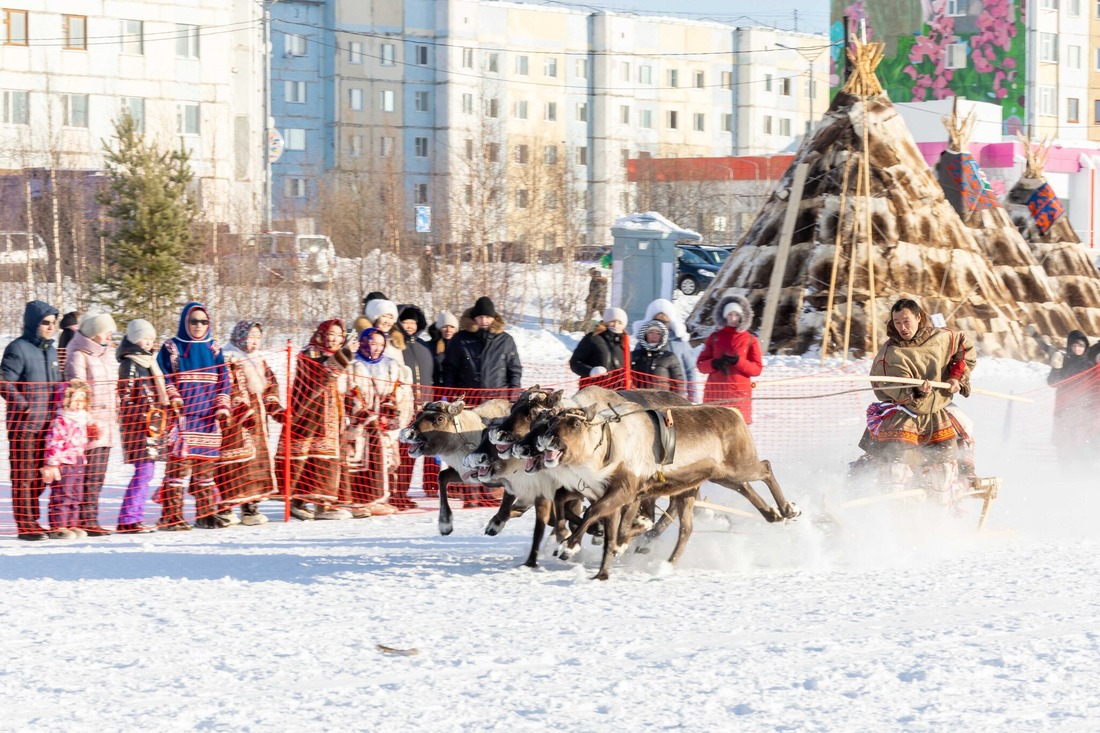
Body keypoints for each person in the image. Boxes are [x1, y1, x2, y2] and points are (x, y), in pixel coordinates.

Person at [857, 298, 976, 504]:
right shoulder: (890, 354)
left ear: (918, 317)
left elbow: (963, 349)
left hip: (938, 409)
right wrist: (916, 391)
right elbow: (892, 388)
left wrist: (956, 376)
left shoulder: (941, 337)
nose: (902, 327)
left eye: (906, 321)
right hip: (904, 412)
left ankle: (964, 476)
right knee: (896, 463)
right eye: (897, 322)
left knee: (963, 430)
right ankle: (881, 498)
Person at [156, 302, 234, 530]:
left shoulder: (214, 349)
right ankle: (172, 517)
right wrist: (173, 396)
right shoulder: (172, 347)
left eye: (203, 322)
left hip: (208, 419)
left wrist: (222, 406)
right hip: (183, 418)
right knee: (177, 473)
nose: (199, 326)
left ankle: (206, 513)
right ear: (185, 322)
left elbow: (224, 380)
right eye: (193, 321)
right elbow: (164, 375)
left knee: (205, 472)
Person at [279, 319, 353, 521]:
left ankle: (323, 504)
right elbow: (319, 376)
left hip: (333, 418)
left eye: (339, 335)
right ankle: (298, 502)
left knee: (326, 460)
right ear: (322, 334)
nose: (334, 339)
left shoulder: (341, 357)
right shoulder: (309, 353)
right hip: (310, 417)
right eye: (331, 334)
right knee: (306, 460)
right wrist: (342, 358)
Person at [1, 300, 62, 541]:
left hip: (48, 426)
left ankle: (33, 520)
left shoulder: (51, 350)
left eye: (53, 323)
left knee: (39, 477)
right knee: (23, 476)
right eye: (46, 323)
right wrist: (22, 405)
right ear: (33, 324)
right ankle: (26, 525)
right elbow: (3, 380)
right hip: (24, 426)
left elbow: (58, 383)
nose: (50, 327)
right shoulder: (18, 348)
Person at [217, 321, 284, 526]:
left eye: (257, 337)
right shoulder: (227, 357)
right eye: (250, 336)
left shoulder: (259, 360)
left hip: (257, 422)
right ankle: (226, 507)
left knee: (256, 465)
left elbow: (270, 387)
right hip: (234, 421)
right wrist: (241, 409)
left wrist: (275, 409)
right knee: (233, 464)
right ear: (239, 336)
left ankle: (251, 507)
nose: (253, 341)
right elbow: (227, 386)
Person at [345, 328, 414, 512]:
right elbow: (348, 393)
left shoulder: (391, 365)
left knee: (387, 462)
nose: (376, 348)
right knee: (360, 461)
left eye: (381, 344)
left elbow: (400, 392)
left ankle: (381, 499)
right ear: (364, 342)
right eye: (372, 343)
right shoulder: (352, 364)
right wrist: (364, 414)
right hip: (360, 424)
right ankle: (359, 501)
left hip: (383, 423)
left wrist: (391, 411)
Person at [64, 313, 119, 536]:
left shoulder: (105, 355)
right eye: (107, 332)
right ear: (96, 333)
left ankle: (90, 518)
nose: (109, 336)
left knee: (98, 474)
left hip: (107, 425)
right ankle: (81, 519)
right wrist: (88, 420)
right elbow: (77, 392)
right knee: (86, 474)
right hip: (89, 426)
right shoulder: (79, 356)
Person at [116, 319, 172, 534]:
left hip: (151, 426)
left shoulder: (149, 362)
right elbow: (126, 398)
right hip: (138, 427)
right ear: (133, 338)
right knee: (143, 472)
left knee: (147, 473)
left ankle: (135, 517)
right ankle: (128, 518)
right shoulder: (130, 363)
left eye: (151, 339)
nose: (148, 343)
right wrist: (144, 416)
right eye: (144, 338)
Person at [442, 296, 522, 404]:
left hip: (498, 402)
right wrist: (451, 396)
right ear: (474, 318)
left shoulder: (506, 340)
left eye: (487, 317)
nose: (484, 320)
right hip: (468, 401)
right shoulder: (460, 339)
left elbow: (514, 371)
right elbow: (450, 369)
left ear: (493, 318)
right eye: (480, 317)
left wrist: (513, 398)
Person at [697, 294, 763, 424]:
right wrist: (714, 364)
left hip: (739, 399)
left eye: (736, 315)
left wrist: (739, 362)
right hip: (715, 396)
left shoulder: (750, 340)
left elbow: (757, 369)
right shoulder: (714, 337)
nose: (733, 318)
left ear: (742, 317)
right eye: (729, 314)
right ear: (723, 316)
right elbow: (700, 364)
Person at [41, 380, 92, 539]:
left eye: (81, 401)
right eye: (75, 400)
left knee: (76, 494)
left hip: (78, 460)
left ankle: (72, 523)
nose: (78, 404)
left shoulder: (82, 418)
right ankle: (59, 526)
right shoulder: (62, 419)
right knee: (63, 494)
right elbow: (54, 442)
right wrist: (53, 463)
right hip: (64, 462)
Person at [395, 304, 435, 506]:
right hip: (405, 407)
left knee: (415, 452)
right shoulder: (395, 345)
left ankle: (405, 492)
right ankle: (397, 493)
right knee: (402, 452)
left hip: (424, 409)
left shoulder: (424, 347)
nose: (409, 326)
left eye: (413, 322)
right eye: (405, 322)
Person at [1047, 331, 1096, 466]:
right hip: (1065, 410)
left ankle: (1086, 471)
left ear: (1085, 346)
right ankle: (1067, 471)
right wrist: (1056, 369)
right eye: (1074, 346)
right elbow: (1053, 383)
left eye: (1080, 346)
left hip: (1086, 410)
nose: (1077, 349)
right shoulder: (1064, 363)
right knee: (1065, 442)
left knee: (1085, 442)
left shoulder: (1090, 364)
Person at [638, 298, 701, 402]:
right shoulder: (644, 342)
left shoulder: (680, 343)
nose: (661, 324)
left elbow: (690, 370)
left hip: (677, 395)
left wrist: (693, 397)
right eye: (657, 321)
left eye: (665, 321)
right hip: (647, 394)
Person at [570, 307, 630, 390]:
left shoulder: (624, 344)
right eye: (612, 321)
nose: (616, 325)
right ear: (606, 322)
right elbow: (574, 362)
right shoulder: (593, 338)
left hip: (615, 395)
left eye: (620, 323)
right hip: (591, 392)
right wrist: (591, 371)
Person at [631, 320, 686, 396]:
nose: (654, 336)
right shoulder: (635, 355)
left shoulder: (669, 357)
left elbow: (678, 382)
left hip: (661, 400)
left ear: (662, 336)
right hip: (638, 398)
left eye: (658, 333)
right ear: (645, 334)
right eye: (651, 332)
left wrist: (675, 401)